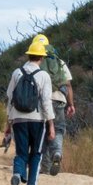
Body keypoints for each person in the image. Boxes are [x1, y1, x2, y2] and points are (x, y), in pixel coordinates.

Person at [5, 40, 55, 185]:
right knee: (36, 153)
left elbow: (10, 97)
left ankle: (18, 175)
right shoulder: (44, 76)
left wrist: (8, 121)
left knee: (21, 152)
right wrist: (51, 124)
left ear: (28, 55)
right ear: (41, 58)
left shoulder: (16, 73)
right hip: (37, 120)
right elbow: (46, 101)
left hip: (18, 119)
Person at [31, 33, 75, 175]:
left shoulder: (35, 62)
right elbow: (68, 85)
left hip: (40, 101)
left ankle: (44, 168)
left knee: (41, 132)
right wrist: (71, 104)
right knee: (59, 129)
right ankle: (57, 152)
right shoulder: (60, 62)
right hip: (59, 100)